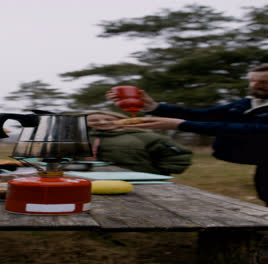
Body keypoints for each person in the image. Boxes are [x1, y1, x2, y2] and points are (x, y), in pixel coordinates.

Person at [106, 64, 268, 204]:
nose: (255, 86)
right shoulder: (248, 103)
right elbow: (200, 116)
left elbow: (254, 130)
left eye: (263, 82)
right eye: (252, 81)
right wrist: (153, 107)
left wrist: (180, 125)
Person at [84, 110, 192, 175]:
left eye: (108, 119)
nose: (102, 122)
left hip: (142, 181)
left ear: (122, 119)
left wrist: (157, 173)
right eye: (93, 120)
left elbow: (178, 156)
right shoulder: (83, 138)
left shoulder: (145, 137)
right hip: (93, 180)